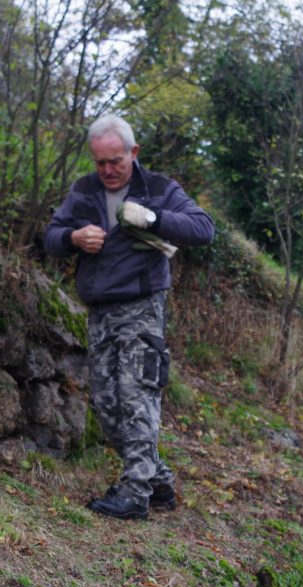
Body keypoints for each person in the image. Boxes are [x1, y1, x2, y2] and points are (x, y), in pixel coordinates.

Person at [43, 114, 215, 520]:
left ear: (134, 153)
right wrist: (72, 238)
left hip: (142, 307)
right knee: (106, 405)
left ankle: (135, 494)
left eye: (115, 161)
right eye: (100, 162)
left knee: (137, 396)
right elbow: (51, 237)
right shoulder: (83, 191)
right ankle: (158, 482)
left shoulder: (157, 188)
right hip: (100, 310)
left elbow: (204, 228)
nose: (107, 170)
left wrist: (153, 218)